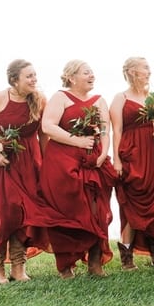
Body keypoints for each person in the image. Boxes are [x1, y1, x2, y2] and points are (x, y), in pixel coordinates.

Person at [36, 60, 115, 278]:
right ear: (72, 77)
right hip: (63, 163)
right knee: (67, 210)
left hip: (93, 160)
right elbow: (48, 126)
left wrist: (103, 152)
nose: (92, 76)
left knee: (97, 208)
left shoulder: (99, 100)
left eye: (93, 72)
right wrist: (78, 141)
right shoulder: (60, 97)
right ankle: (65, 265)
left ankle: (95, 262)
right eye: (86, 72)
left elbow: (105, 131)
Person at [0, 59, 47, 284]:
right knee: (4, 213)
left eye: (35, 75)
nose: (34, 79)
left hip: (29, 162)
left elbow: (43, 136)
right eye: (29, 76)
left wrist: (45, 164)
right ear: (14, 80)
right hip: (1, 162)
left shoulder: (41, 100)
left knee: (25, 213)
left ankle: (18, 266)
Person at [109, 57, 154, 269]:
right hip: (131, 153)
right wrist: (116, 159)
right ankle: (127, 257)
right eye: (145, 68)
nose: (149, 72)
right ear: (133, 72)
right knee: (130, 205)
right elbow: (116, 130)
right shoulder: (120, 98)